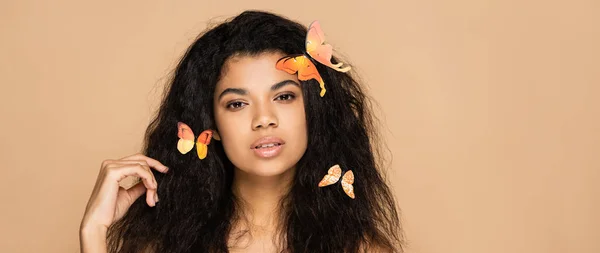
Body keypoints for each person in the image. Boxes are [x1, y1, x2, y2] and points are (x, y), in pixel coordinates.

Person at [80, 10, 404, 253]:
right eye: (237, 104)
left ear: (312, 109)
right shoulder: (162, 246)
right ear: (211, 126)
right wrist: (94, 231)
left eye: (284, 96)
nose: (264, 119)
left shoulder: (360, 249)